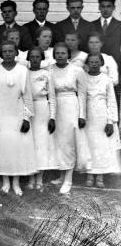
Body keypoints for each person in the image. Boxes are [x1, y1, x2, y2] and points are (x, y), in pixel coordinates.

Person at [0, 41, 36, 196]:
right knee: (3, 147)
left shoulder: (23, 70)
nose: (8, 54)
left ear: (16, 52)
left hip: (17, 112)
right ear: (0, 54)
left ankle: (16, 182)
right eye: (5, 51)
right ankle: (5, 182)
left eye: (11, 51)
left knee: (17, 147)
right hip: (1, 112)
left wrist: (26, 118)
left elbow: (27, 96)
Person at [50, 42, 89, 194]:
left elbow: (83, 94)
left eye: (63, 53)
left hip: (72, 106)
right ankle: (61, 175)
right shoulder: (50, 70)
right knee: (59, 143)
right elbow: (50, 94)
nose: (60, 55)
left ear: (68, 55)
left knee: (69, 142)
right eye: (57, 53)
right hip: (56, 106)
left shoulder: (77, 70)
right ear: (54, 55)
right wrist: (51, 115)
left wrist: (82, 115)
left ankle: (68, 179)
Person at [82, 54, 121, 188]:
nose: (93, 64)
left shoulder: (106, 79)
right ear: (87, 64)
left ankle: (100, 177)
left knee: (101, 146)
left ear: (101, 63)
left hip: (102, 116)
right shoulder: (83, 78)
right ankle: (89, 175)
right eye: (91, 62)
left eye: (96, 62)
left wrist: (110, 121)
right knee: (89, 145)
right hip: (88, 116)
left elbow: (111, 100)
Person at [26, 47, 57, 191]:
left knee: (42, 143)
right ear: (28, 58)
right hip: (27, 108)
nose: (34, 59)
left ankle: (39, 180)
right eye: (32, 57)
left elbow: (52, 97)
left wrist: (52, 117)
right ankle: (30, 178)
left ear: (42, 58)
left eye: (37, 57)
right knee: (30, 143)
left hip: (42, 108)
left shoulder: (46, 74)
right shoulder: (24, 73)